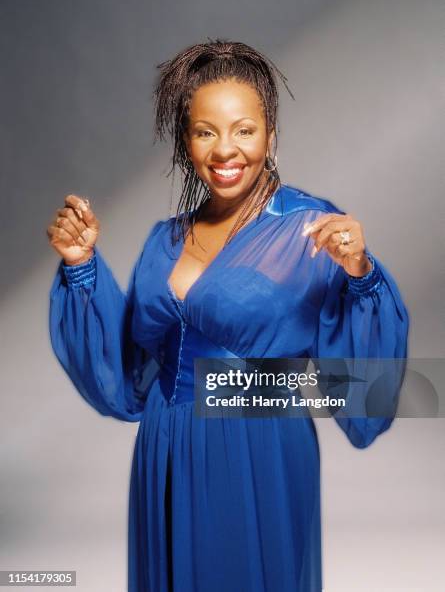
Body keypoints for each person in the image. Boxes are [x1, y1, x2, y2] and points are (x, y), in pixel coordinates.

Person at [47, 39, 409, 592]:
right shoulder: (164, 239)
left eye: (244, 129)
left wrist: (361, 277)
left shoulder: (310, 229)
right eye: (205, 131)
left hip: (256, 454)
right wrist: (81, 267)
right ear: (186, 140)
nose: (225, 150)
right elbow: (127, 380)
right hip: (165, 448)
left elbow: (366, 395)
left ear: (271, 134)